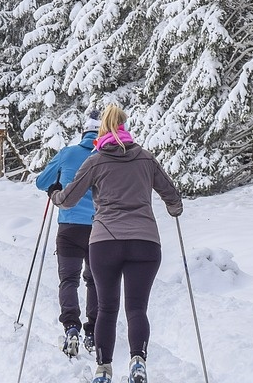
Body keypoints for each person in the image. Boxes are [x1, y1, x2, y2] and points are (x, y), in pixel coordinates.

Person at [48, 103, 183, 383]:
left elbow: (69, 198)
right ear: (125, 127)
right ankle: (137, 361)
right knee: (137, 309)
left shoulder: (96, 161)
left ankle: (103, 368)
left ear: (102, 130)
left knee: (108, 308)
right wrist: (174, 209)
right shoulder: (146, 158)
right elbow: (172, 195)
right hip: (145, 242)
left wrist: (55, 195)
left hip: (105, 242)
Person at [34, 109, 100, 357]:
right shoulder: (105, 155)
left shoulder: (68, 153)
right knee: (94, 281)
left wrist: (57, 185)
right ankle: (92, 331)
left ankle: (71, 327)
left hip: (69, 227)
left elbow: (41, 182)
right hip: (99, 229)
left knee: (69, 280)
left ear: (83, 132)